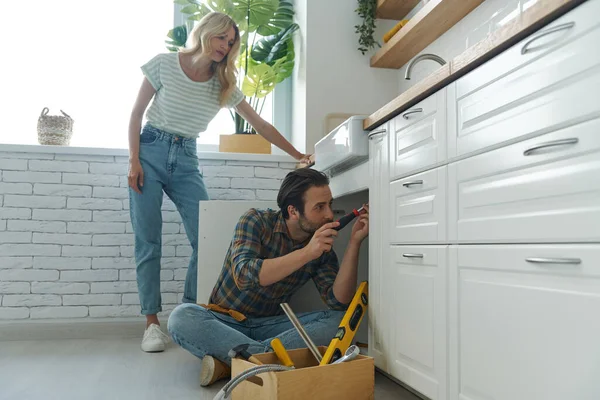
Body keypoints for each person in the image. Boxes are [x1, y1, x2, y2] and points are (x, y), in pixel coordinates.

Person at [127, 12, 312, 353]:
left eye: (230, 43)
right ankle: (152, 324)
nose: (225, 46)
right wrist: (134, 160)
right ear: (206, 33)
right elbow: (137, 113)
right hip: (150, 150)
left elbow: (261, 125)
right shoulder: (165, 64)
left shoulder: (222, 84)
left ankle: (187, 310)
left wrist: (298, 153)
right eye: (221, 38)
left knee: (207, 239)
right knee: (148, 241)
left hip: (186, 160)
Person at [167, 168, 369, 387]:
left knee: (342, 321)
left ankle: (235, 363)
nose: (329, 214)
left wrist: (354, 243)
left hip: (271, 326)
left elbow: (338, 301)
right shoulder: (256, 221)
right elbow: (244, 276)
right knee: (181, 316)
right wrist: (307, 253)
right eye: (319, 207)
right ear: (293, 211)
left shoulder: (321, 249)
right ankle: (266, 362)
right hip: (225, 320)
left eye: (329, 204)